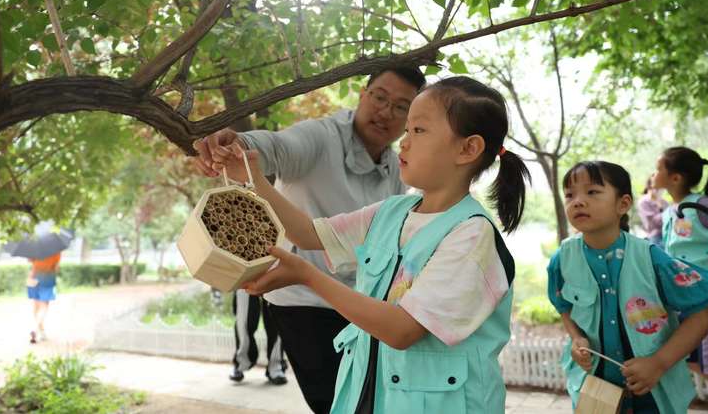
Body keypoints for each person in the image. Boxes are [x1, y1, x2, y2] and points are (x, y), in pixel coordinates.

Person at [214, 76, 530, 413]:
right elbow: (309, 234)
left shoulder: (471, 237)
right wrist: (252, 176)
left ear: (468, 149)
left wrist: (307, 276)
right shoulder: (391, 212)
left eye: (419, 131)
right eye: (406, 131)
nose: (403, 143)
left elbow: (401, 329)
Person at [194, 66, 425, 409]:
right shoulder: (321, 137)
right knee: (337, 403)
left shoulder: (396, 168)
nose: (386, 112)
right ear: (363, 95)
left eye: (401, 106)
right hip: (302, 301)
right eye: (380, 97)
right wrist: (239, 145)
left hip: (359, 304)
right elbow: (276, 146)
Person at [547, 161, 708, 412]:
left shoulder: (651, 258)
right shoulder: (562, 259)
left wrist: (658, 363)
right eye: (570, 195)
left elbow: (702, 318)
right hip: (594, 393)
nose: (578, 201)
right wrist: (576, 337)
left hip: (652, 395)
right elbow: (563, 306)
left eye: (592, 192)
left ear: (623, 204)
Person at [652, 146, 708, 384]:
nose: (654, 173)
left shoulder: (703, 205)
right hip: (686, 297)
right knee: (694, 361)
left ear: (675, 178)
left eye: (658, 169)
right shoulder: (670, 212)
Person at [27, 251, 60, 344]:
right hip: (47, 278)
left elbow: (29, 260)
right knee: (44, 307)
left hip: (32, 277)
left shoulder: (33, 247)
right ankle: (35, 329)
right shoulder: (56, 251)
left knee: (35, 306)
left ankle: (41, 333)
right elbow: (56, 268)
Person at [637, 178, 668, 246]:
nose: (660, 190)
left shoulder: (664, 202)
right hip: (656, 237)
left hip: (667, 235)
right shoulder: (644, 201)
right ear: (650, 187)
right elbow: (653, 222)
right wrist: (661, 208)